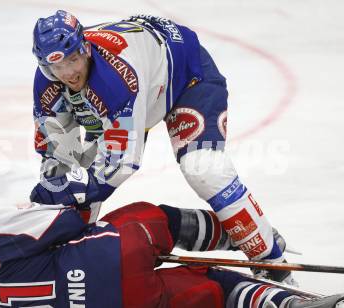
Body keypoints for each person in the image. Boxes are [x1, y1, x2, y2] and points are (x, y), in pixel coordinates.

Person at [30, 10, 291, 282]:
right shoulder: (47, 81)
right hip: (135, 89)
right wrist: (52, 198)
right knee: (74, 182)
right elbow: (58, 155)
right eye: (57, 68)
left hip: (185, 78)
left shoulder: (115, 79)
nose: (69, 73)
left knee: (204, 169)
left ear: (85, 48)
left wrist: (68, 192)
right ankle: (66, 265)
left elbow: (119, 165)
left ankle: (273, 262)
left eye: (73, 60)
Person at [0, 201, 343, 308]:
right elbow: (73, 217)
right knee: (148, 217)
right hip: (113, 254)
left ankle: (286, 304)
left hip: (124, 303)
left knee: (212, 285)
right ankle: (235, 233)